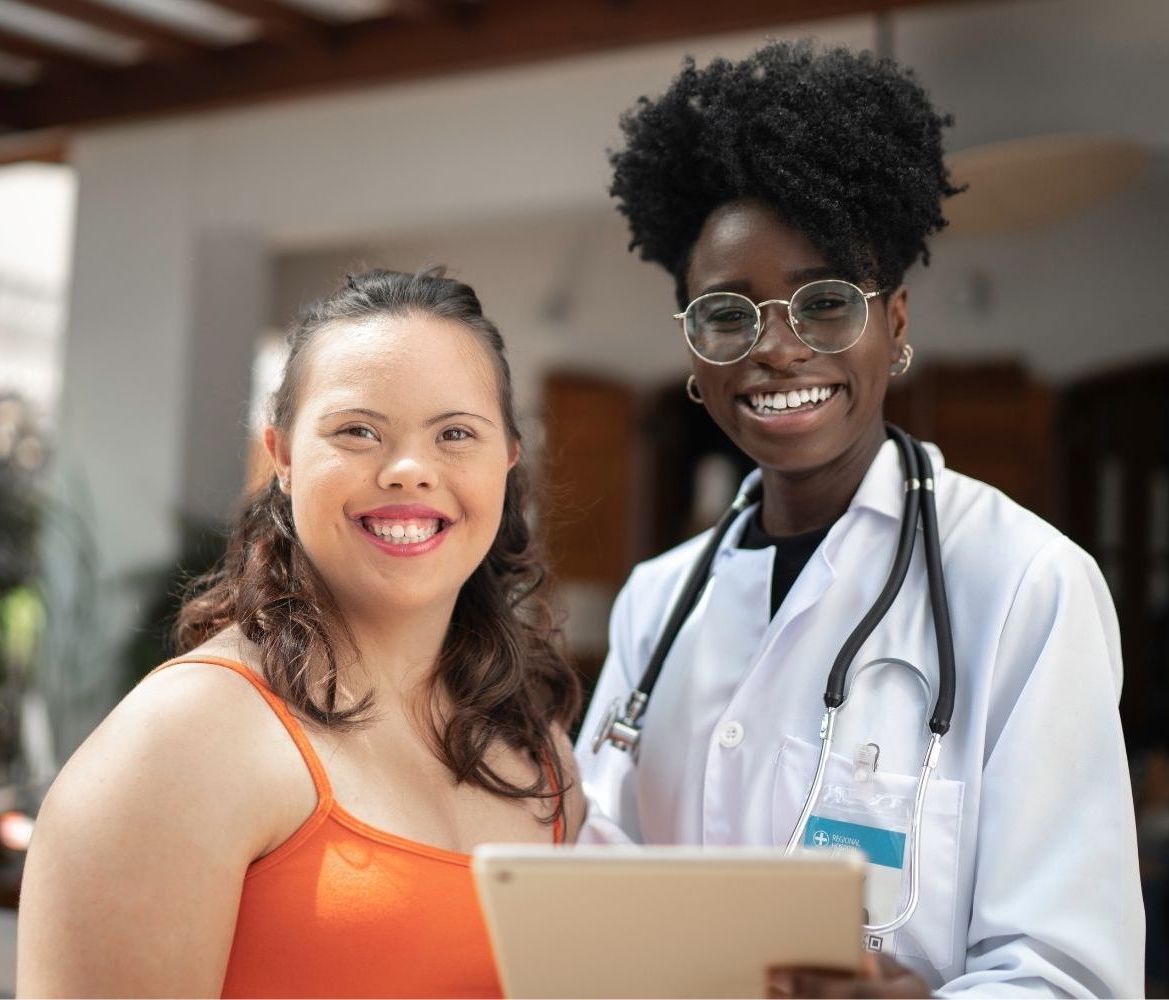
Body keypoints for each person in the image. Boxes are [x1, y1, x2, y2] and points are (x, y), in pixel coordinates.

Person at [576, 41, 1144, 997]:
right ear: (693, 352)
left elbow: (1072, 972)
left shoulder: (1022, 584)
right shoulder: (656, 601)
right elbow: (595, 879)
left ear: (898, 324)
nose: (778, 349)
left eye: (826, 303)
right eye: (728, 315)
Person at [18, 268, 584, 998]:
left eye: (454, 434)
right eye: (357, 431)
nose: (409, 470)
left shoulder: (540, 751)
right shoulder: (186, 738)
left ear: (507, 458)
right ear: (281, 456)